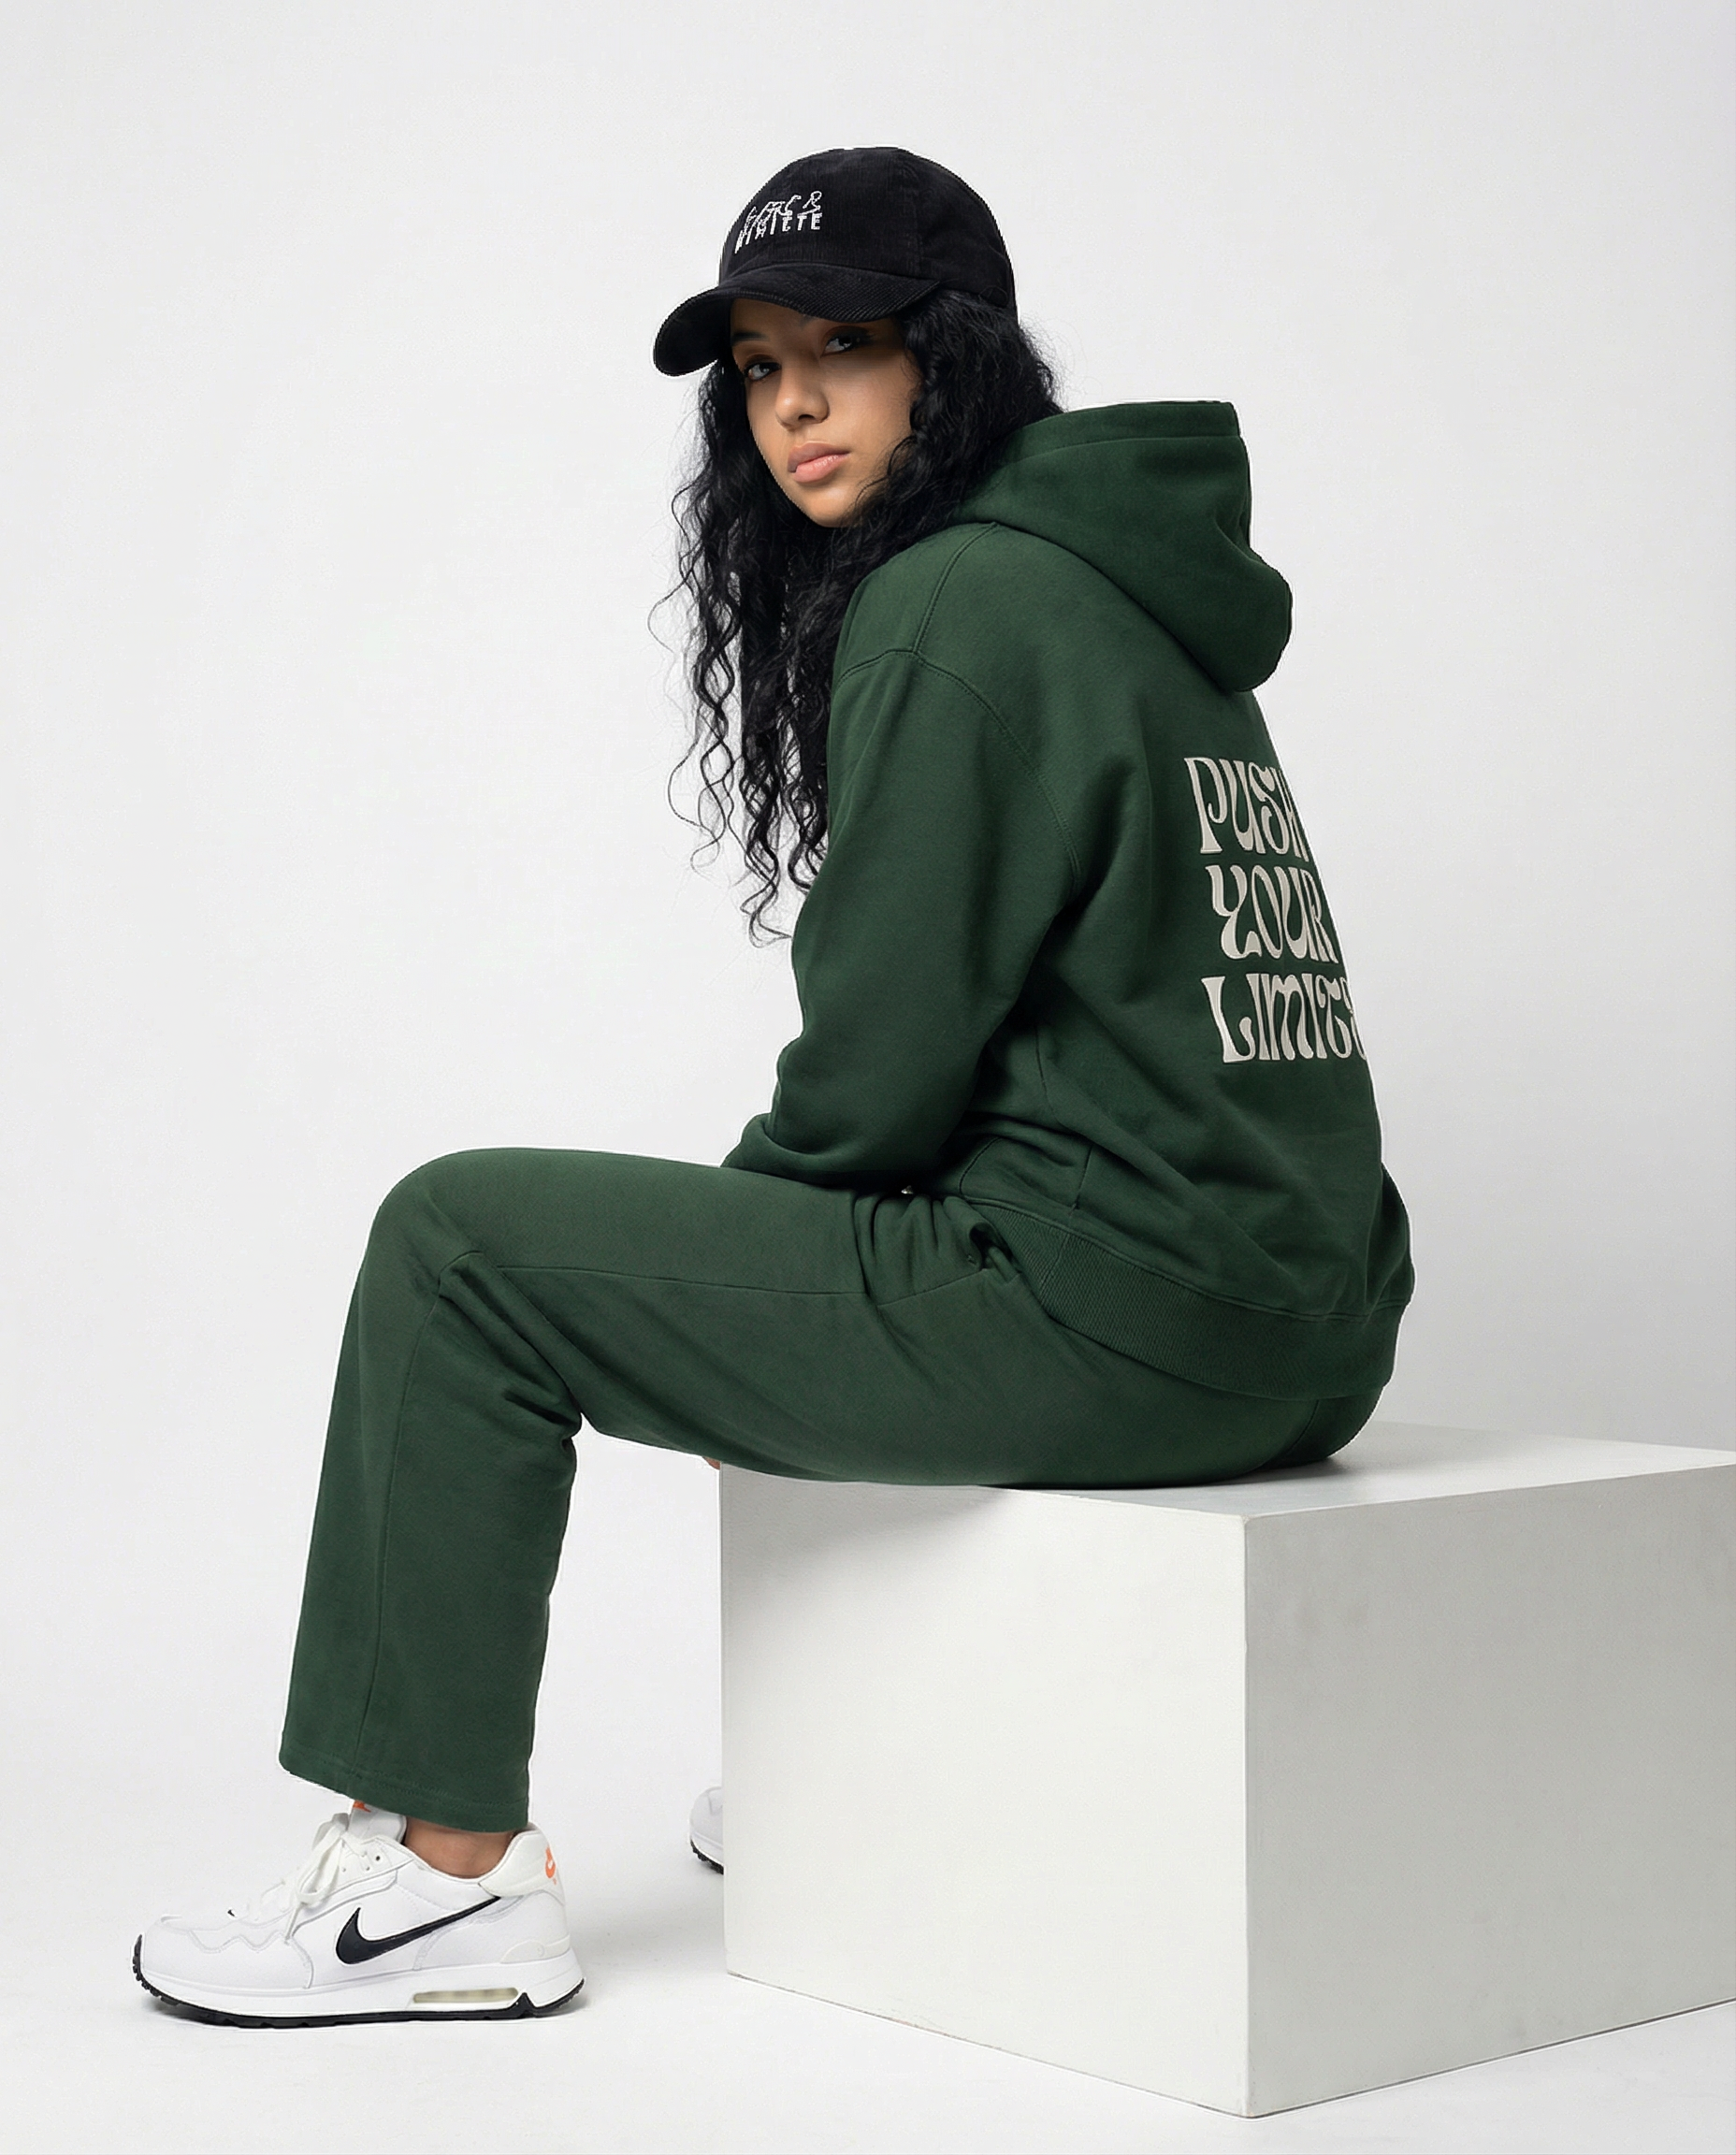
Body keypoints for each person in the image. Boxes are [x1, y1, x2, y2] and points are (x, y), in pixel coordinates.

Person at [134, 146, 1413, 2028]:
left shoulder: (961, 603)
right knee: (823, 1227)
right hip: (1308, 1336)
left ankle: (437, 1883)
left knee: (461, 1245)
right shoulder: (1142, 601)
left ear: (953, 357)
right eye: (756, 366)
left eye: (847, 347)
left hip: (1112, 1314)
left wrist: (741, 1268)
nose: (795, 405)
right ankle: (861, 1762)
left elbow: (878, 1072)